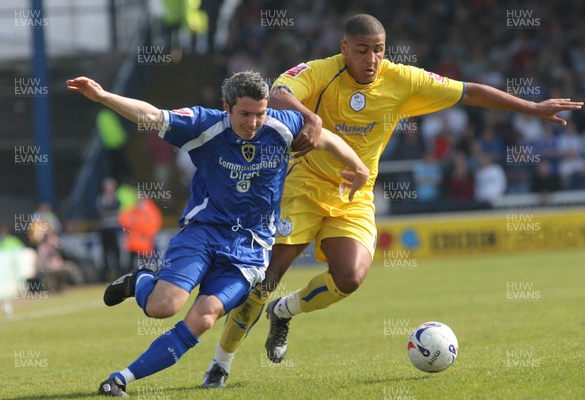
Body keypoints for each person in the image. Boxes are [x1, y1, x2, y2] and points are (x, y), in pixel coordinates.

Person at [202, 14, 583, 388]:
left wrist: (530, 107)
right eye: (363, 50)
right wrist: (309, 117)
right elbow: (280, 92)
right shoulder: (322, 70)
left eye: (379, 51)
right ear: (345, 48)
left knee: (349, 278)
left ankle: (283, 311)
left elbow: (469, 91)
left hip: (355, 194)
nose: (371, 59)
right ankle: (221, 363)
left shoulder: (402, 79)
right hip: (304, 185)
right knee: (268, 276)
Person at [66, 70, 369, 397]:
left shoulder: (282, 125)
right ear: (226, 106)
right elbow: (152, 115)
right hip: (203, 235)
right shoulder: (203, 124)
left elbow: (328, 139)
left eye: (260, 113)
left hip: (249, 252)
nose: (253, 123)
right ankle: (139, 281)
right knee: (162, 307)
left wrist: (359, 167)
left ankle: (120, 380)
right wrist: (104, 97)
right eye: (245, 114)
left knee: (204, 317)